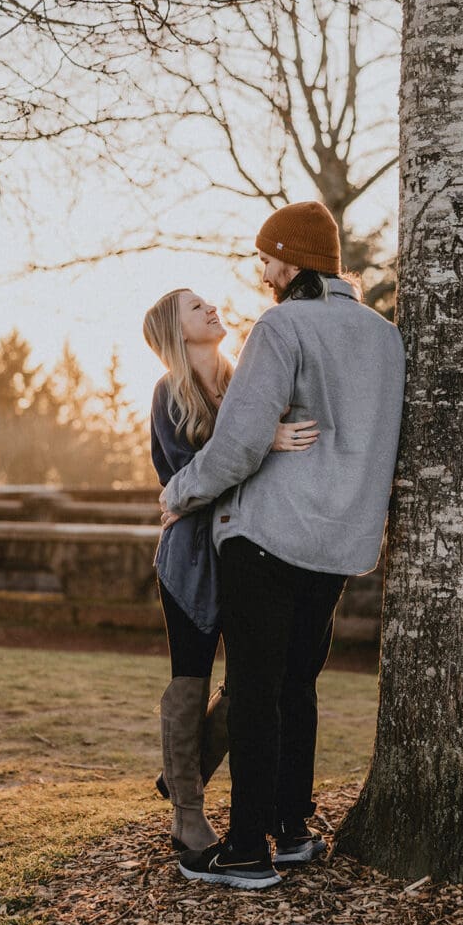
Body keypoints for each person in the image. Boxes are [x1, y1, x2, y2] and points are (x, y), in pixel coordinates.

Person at [160, 200, 406, 890]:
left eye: (265, 256)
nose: (261, 268)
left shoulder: (281, 325)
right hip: (340, 542)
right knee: (298, 685)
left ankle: (244, 850)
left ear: (289, 261)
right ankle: (293, 830)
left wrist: (178, 493)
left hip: (268, 536)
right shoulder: (384, 337)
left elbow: (237, 442)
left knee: (255, 690)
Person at [143, 288, 320, 853]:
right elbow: (184, 476)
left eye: (208, 302)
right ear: (174, 330)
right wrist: (261, 441)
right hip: (192, 558)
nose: (210, 309)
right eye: (194, 308)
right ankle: (188, 817)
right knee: (191, 676)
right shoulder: (168, 393)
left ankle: (181, 773)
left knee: (249, 682)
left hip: (252, 552)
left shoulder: (248, 379)